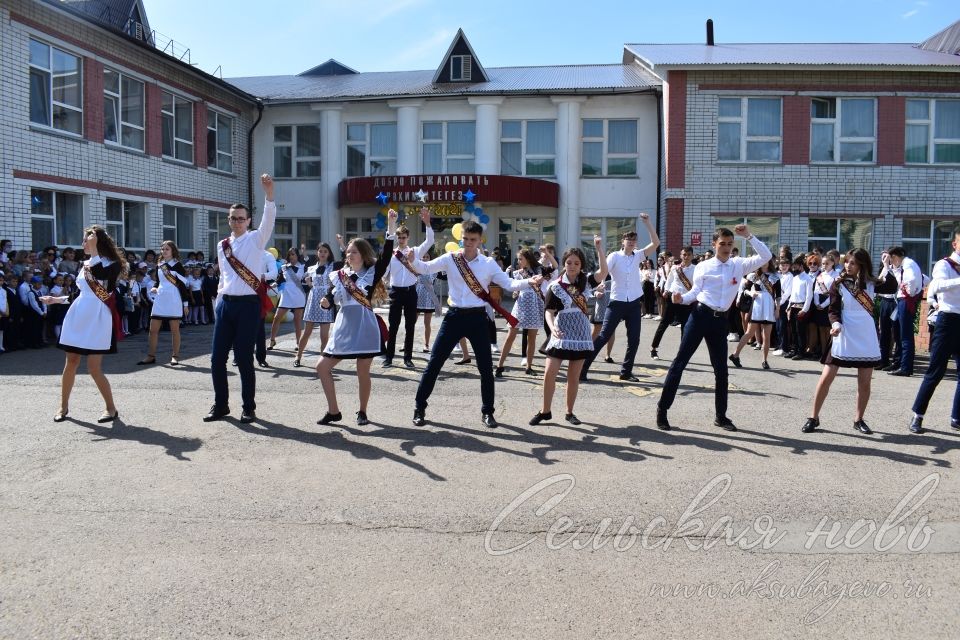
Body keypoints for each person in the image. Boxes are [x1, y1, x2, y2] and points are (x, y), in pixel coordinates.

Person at [409, 221, 543, 428]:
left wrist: (529, 282)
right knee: (434, 364)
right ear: (460, 238)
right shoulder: (451, 258)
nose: (469, 243)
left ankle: (488, 412)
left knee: (485, 369)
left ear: (480, 240)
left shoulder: (488, 263)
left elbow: (508, 284)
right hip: (454, 317)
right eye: (465, 238)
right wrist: (413, 260)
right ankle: (419, 407)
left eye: (473, 239)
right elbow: (425, 268)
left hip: (478, 318)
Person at [656, 225, 772, 431]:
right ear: (714, 244)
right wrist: (681, 299)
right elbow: (694, 293)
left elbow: (765, 255)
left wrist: (749, 236)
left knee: (721, 370)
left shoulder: (738, 265)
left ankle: (721, 416)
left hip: (720, 321)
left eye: (729, 244)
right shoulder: (704, 266)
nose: (726, 248)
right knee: (679, 362)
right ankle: (662, 409)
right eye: (722, 244)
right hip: (700, 315)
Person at [205, 175, 277, 424]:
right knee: (217, 359)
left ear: (248, 221)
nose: (236, 222)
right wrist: (219, 303)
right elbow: (224, 277)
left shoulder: (256, 239)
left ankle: (248, 407)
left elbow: (268, 221)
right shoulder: (221, 245)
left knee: (245, 358)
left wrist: (269, 194)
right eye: (233, 218)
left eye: (241, 218)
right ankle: (221, 404)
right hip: (225, 304)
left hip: (248, 304)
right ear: (229, 220)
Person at [315, 211, 396, 426]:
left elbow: (387, 255)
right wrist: (326, 301)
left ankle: (362, 411)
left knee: (362, 371)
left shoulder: (372, 272)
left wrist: (391, 225)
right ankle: (334, 411)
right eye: (348, 252)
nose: (349, 255)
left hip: (365, 325)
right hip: (344, 326)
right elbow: (331, 295)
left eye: (354, 252)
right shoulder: (340, 275)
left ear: (363, 254)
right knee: (322, 367)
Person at [802, 249, 896, 435]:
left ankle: (858, 419)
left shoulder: (871, 282)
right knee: (826, 378)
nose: (848, 265)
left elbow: (891, 287)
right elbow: (833, 309)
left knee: (865, 382)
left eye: (853, 263)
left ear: (862, 264)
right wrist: (836, 324)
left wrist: (887, 267)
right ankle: (813, 417)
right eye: (847, 262)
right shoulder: (838, 283)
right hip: (844, 331)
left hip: (865, 332)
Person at [41, 227, 126, 423]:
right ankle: (63, 406)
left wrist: (95, 247)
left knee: (94, 368)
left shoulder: (112, 265)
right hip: (78, 316)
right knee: (70, 362)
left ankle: (111, 408)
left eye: (86, 240)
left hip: (98, 318)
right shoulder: (85, 263)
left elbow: (100, 275)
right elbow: (81, 294)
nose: (83, 244)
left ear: (97, 242)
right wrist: (57, 300)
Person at [530, 237, 608, 425]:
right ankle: (545, 411)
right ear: (564, 263)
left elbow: (604, 271)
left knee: (573, 377)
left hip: (580, 333)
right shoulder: (556, 286)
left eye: (576, 263)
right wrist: (553, 326)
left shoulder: (586, 281)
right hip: (561, 331)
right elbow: (548, 312)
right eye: (569, 262)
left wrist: (599, 249)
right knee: (550, 372)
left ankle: (569, 412)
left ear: (581, 265)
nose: (572, 266)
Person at [581, 213, 660, 382]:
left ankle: (626, 372)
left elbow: (656, 243)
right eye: (628, 240)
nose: (631, 242)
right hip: (616, 301)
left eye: (633, 240)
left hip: (633, 302)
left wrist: (648, 223)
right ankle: (583, 368)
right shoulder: (615, 256)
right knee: (603, 336)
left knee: (634, 340)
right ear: (622, 242)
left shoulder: (638, 255)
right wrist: (599, 283)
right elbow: (604, 270)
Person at [908, 227, 960, 434]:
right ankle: (917, 416)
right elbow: (937, 286)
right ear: (955, 244)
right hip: (948, 321)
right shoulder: (944, 264)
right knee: (935, 372)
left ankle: (956, 417)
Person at [382, 207, 434, 368]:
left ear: (408, 237)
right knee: (394, 325)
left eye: (404, 237)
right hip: (396, 292)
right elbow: (385, 271)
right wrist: (383, 280)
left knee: (410, 326)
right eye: (399, 237)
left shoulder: (415, 252)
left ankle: (407, 358)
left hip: (411, 291)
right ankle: (389, 357)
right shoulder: (392, 253)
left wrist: (427, 224)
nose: (401, 239)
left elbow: (430, 241)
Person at [496, 248, 547, 377]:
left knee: (532, 338)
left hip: (535, 304)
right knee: (510, 336)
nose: (518, 262)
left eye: (520, 259)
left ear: (528, 259)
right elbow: (514, 288)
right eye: (518, 259)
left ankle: (529, 366)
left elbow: (550, 272)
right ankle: (500, 365)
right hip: (521, 305)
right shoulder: (517, 273)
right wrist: (515, 291)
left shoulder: (539, 271)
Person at [138, 241, 187, 366]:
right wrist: (155, 287)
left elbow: (183, 285)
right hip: (160, 299)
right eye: (162, 249)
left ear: (172, 251)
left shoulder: (177, 265)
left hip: (173, 299)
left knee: (174, 330)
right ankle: (151, 356)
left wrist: (185, 304)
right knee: (153, 329)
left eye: (167, 249)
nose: (164, 251)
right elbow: (158, 282)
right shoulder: (160, 265)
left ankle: (175, 356)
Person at [294, 242, 341, 367]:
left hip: (325, 300)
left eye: (325, 251)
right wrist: (309, 284)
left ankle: (322, 363)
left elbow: (345, 260)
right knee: (307, 332)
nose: (323, 253)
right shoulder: (311, 268)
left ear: (329, 253)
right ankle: (298, 357)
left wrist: (341, 243)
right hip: (313, 299)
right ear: (317, 252)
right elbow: (306, 280)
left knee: (324, 336)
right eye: (320, 251)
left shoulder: (333, 266)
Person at [729, 259, 780, 370]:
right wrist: (751, 293)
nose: (764, 263)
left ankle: (765, 360)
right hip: (757, 305)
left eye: (766, 260)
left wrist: (778, 309)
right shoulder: (754, 275)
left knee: (766, 335)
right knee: (749, 333)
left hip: (769, 305)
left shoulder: (775, 276)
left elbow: (778, 295)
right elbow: (745, 290)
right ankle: (735, 354)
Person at [650, 246, 695, 360]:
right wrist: (666, 291)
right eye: (684, 254)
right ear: (680, 255)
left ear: (692, 256)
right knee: (664, 323)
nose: (686, 257)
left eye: (688, 254)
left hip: (686, 300)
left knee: (685, 327)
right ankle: (654, 348)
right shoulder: (675, 268)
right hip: (673, 299)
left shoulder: (696, 269)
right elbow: (669, 281)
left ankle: (682, 353)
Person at [887, 246, 924, 377]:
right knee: (901, 334)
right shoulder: (908, 264)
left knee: (905, 336)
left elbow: (912, 280)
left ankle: (906, 367)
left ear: (894, 257)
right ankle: (902, 364)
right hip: (904, 301)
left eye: (890, 260)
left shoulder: (908, 264)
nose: (891, 263)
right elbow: (924, 278)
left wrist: (909, 292)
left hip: (906, 301)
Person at [269, 247, 306, 349]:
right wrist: (275, 284)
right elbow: (280, 278)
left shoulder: (303, 266)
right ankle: (272, 341)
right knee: (276, 318)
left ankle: (298, 343)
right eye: (290, 254)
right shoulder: (284, 267)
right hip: (286, 294)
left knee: (297, 320)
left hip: (299, 295)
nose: (291, 256)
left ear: (297, 255)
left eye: (293, 254)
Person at [415, 252, 440, 353]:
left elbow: (430, 280)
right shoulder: (416, 268)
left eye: (427, 257)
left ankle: (426, 344)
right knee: (412, 322)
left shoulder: (433, 269)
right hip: (418, 295)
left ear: (430, 258)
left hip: (428, 296)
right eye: (423, 257)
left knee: (427, 323)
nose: (425, 258)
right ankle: (407, 343)